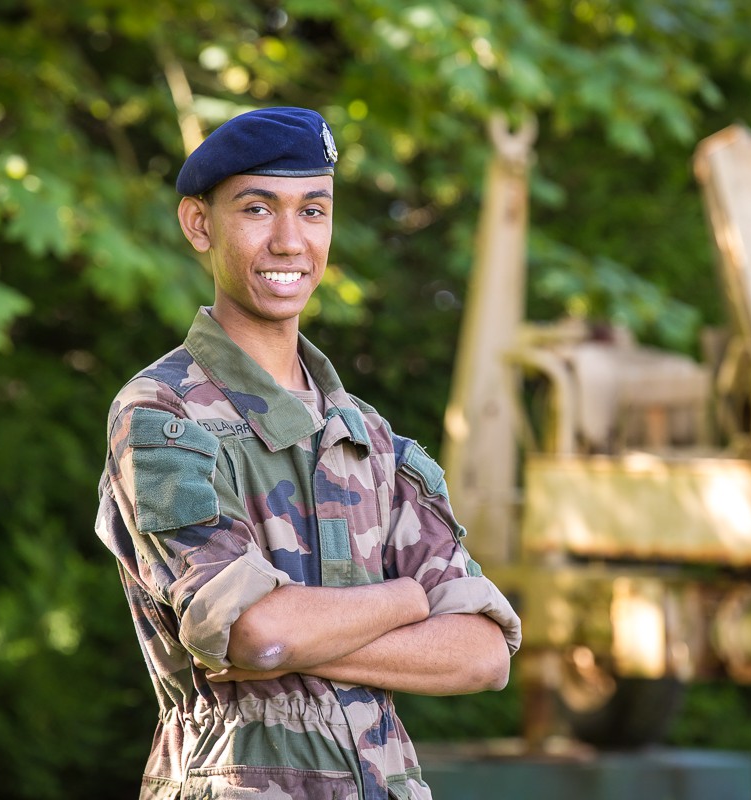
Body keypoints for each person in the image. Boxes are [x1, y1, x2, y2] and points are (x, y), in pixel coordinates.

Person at [94, 106, 522, 800]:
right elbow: (259, 634)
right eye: (258, 209)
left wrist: (306, 632)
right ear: (199, 224)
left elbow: (482, 654)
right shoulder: (165, 417)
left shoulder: (370, 437)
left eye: (313, 211)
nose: (290, 241)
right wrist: (411, 599)